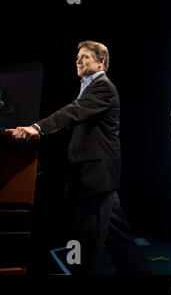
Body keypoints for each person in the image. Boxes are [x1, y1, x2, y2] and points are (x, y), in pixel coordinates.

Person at [6, 40, 151, 275]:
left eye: (84, 57)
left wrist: (37, 127)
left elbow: (72, 111)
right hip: (95, 177)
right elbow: (73, 119)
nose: (78, 60)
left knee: (86, 244)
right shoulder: (88, 87)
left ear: (100, 62)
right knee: (119, 239)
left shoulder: (102, 87)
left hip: (96, 177)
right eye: (77, 57)